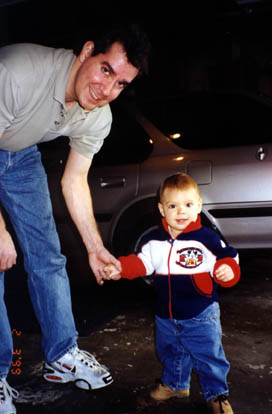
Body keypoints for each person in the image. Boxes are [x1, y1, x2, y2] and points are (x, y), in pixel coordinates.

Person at [0, 24, 150, 414]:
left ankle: (62, 354)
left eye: (120, 84)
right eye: (105, 70)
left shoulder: (97, 117)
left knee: (47, 255)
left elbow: (74, 181)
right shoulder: (16, 71)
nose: (106, 90)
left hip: (20, 151)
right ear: (85, 52)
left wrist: (96, 248)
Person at [104, 173, 241, 414]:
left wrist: (227, 270)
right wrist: (121, 268)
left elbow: (228, 256)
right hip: (165, 314)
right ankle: (176, 385)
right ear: (161, 209)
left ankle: (217, 395)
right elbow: (142, 262)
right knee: (171, 352)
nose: (181, 212)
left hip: (201, 312)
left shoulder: (205, 238)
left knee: (209, 356)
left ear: (199, 205)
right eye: (173, 205)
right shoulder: (154, 240)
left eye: (188, 205)